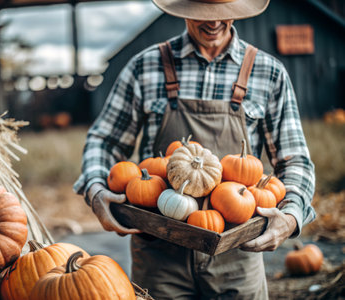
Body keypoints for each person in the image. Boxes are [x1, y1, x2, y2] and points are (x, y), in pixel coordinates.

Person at [74, 0, 316, 298]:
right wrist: (97, 190)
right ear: (184, 7)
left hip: (236, 255)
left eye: (221, 12)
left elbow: (295, 161)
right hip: (159, 252)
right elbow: (104, 140)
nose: (213, 22)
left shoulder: (268, 72)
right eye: (203, 12)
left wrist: (291, 215)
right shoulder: (145, 66)